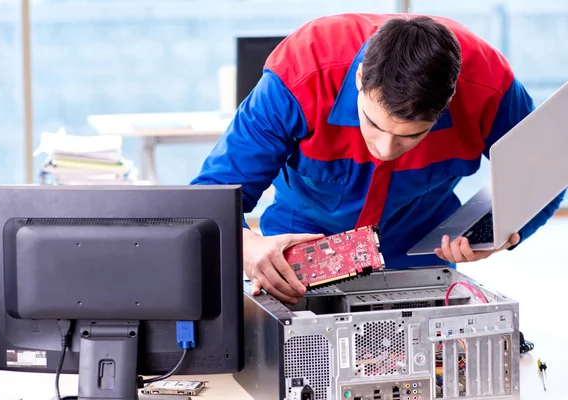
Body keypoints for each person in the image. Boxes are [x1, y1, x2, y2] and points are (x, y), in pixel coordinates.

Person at [191, 14, 565, 304]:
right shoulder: (300, 74)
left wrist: (497, 234)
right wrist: (248, 247)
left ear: (447, 103)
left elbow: (544, 175)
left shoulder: (488, 85)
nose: (385, 150)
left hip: (421, 256)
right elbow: (211, 197)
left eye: (411, 135)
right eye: (373, 124)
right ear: (358, 80)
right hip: (301, 258)